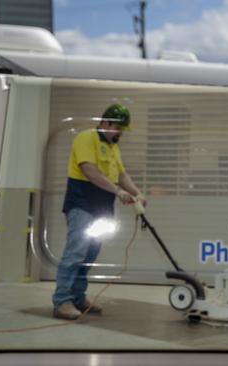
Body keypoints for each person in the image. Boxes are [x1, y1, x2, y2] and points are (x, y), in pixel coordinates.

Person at [52, 104, 145, 320]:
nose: (120, 133)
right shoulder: (87, 138)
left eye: (122, 129)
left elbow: (121, 175)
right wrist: (118, 192)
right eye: (118, 128)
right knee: (76, 252)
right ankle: (61, 301)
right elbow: (89, 171)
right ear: (105, 123)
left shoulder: (113, 147)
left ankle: (77, 296)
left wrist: (138, 193)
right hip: (82, 203)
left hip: (103, 207)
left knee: (90, 254)